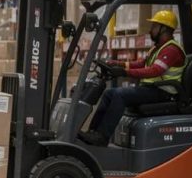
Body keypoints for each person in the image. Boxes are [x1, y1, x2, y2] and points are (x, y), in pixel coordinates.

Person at [79, 10, 186, 146]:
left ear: (163, 28)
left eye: (154, 26)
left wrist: (124, 72)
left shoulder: (171, 50)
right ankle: (93, 132)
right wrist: (117, 63)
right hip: (152, 89)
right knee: (109, 94)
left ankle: (102, 136)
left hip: (163, 92)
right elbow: (141, 63)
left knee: (120, 95)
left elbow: (155, 70)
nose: (150, 30)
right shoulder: (158, 48)